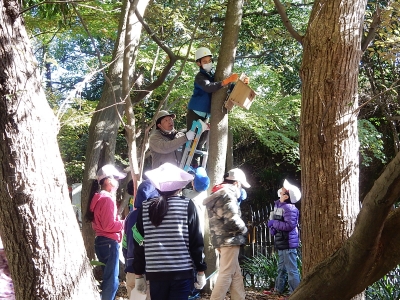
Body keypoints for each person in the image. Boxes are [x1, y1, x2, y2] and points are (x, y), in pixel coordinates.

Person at [133, 163, 207, 300]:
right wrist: (201, 270)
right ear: (179, 186)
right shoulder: (187, 205)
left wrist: (138, 274)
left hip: (155, 274)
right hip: (182, 273)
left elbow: (139, 242)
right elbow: (196, 241)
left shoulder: (145, 208)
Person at [203, 168, 250, 300]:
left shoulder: (218, 194)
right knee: (226, 273)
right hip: (230, 239)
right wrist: (245, 229)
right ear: (236, 183)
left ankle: (239, 297)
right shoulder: (228, 194)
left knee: (235, 273)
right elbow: (232, 219)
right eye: (241, 185)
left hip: (220, 239)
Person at [85, 164, 127, 300]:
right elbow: (109, 226)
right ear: (108, 181)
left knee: (108, 278)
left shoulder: (98, 198)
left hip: (101, 242)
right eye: (115, 179)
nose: (117, 182)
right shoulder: (107, 199)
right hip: (109, 242)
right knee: (112, 281)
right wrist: (124, 223)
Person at [264, 179, 301, 300]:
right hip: (281, 242)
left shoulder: (290, 208)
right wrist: (272, 227)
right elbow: (275, 219)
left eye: (284, 190)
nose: (281, 190)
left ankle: (295, 294)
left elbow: (289, 225)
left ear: (287, 196)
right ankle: (278, 290)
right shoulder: (280, 205)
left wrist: (273, 223)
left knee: (291, 270)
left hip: (288, 243)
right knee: (281, 268)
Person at [122, 179, 159, 298]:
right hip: (148, 272)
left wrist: (129, 261)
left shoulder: (130, 216)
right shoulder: (155, 216)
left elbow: (124, 245)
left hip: (131, 269)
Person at [182, 166, 210, 236]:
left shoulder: (188, 195)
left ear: (193, 183)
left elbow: (184, 191)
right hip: (200, 232)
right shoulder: (205, 193)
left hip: (190, 232)